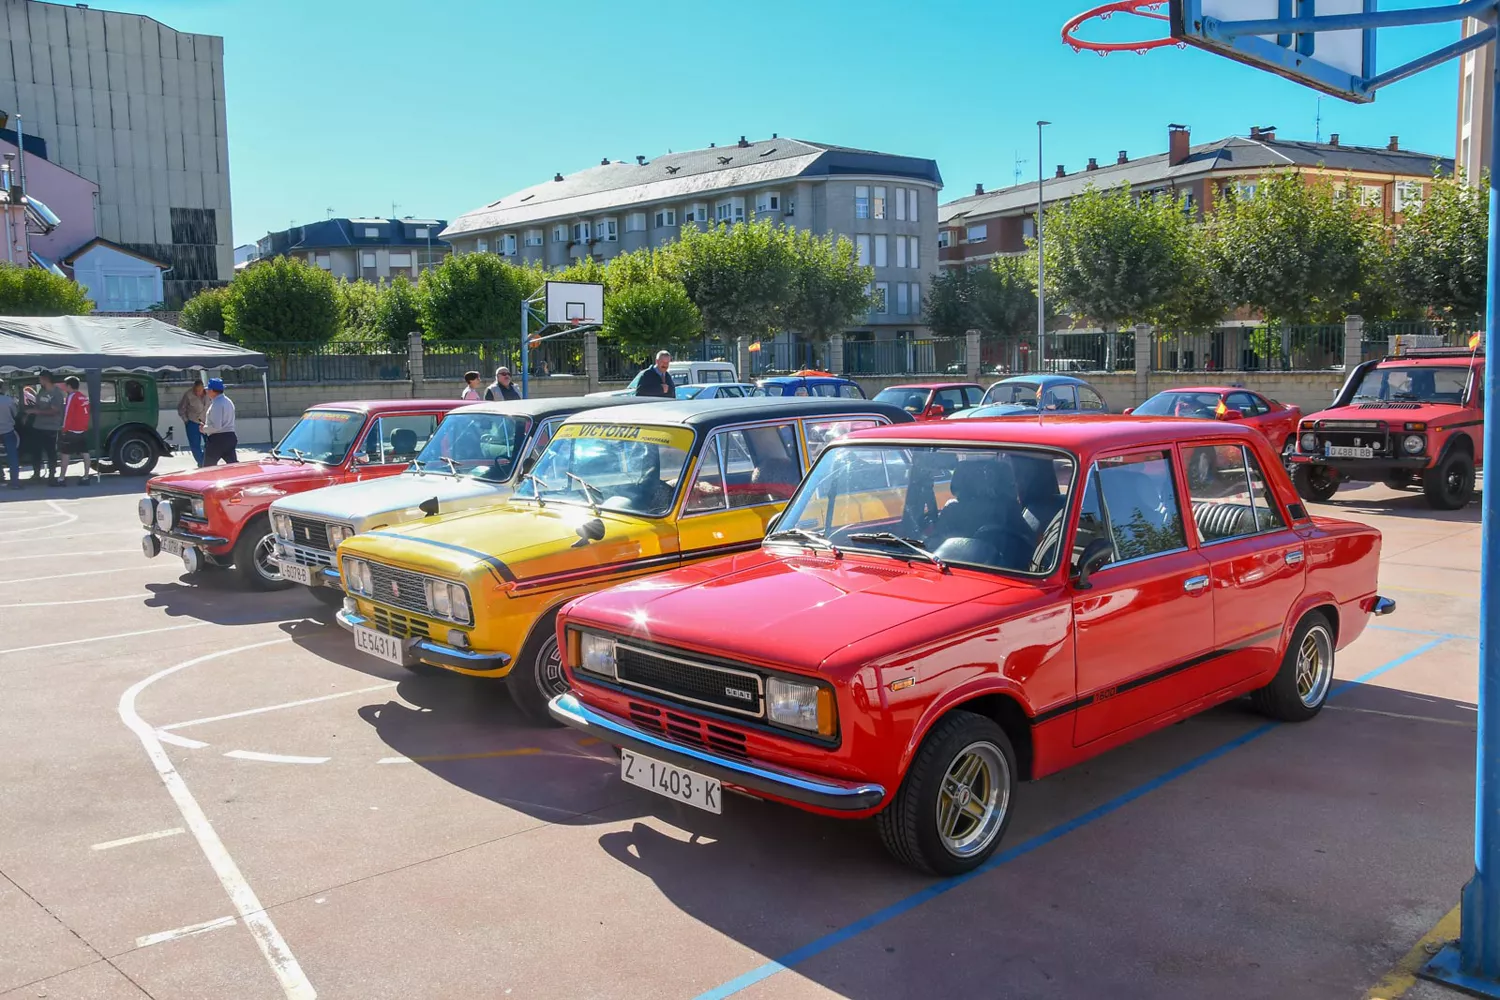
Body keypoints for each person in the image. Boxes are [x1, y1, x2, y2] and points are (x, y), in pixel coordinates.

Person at [54, 376, 95, 487]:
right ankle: (86, 476)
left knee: (65, 454)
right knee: (85, 453)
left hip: (71, 430)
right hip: (82, 430)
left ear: (69, 386)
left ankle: (61, 479)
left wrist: (64, 428)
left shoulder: (72, 397)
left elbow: (68, 414)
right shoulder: (84, 397)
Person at [24, 371, 63, 483]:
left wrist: (36, 411)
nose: (39, 381)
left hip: (51, 427)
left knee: (51, 452)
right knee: (36, 451)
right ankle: (36, 473)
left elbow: (55, 411)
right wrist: (30, 413)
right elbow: (38, 405)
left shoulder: (56, 393)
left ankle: (52, 475)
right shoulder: (41, 391)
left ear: (46, 379)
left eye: (40, 379)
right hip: (38, 426)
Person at [201, 377, 238, 466]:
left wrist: (204, 429)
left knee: (208, 468)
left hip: (217, 439)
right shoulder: (228, 401)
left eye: (208, 390)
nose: (207, 392)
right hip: (230, 436)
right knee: (233, 467)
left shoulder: (217, 404)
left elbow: (216, 427)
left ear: (213, 391)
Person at [177, 379, 207, 465]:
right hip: (193, 422)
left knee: (210, 443)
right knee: (195, 445)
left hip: (206, 422)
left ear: (203, 389)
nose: (198, 392)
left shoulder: (208, 393)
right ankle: (201, 463)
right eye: (196, 390)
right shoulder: (188, 394)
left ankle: (206, 460)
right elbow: (181, 408)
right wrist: (186, 421)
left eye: (200, 390)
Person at [0, 380, 19, 489]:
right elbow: (15, 414)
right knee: (12, 457)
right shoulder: (8, 400)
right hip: (8, 431)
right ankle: (15, 483)